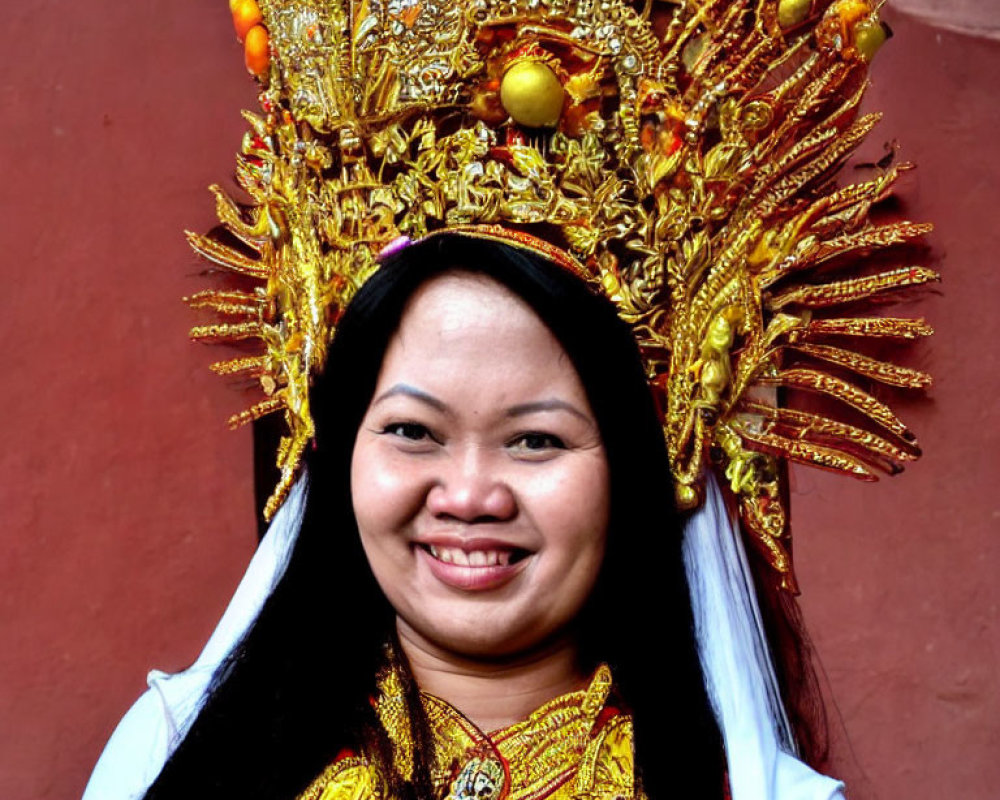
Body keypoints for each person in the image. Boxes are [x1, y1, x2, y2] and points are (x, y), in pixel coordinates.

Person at [82, 234, 845, 800]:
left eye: (536, 440)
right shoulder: (168, 752)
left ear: (632, 471)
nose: (472, 496)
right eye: (413, 432)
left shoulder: (754, 791)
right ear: (341, 451)